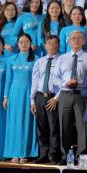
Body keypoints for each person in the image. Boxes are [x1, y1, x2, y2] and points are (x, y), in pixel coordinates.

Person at [54, 30, 87, 160]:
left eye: (78, 38)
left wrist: (79, 82)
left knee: (82, 126)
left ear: (83, 41)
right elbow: (55, 78)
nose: (76, 40)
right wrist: (66, 83)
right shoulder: (62, 58)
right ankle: (65, 156)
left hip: (81, 94)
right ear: (69, 41)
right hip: (65, 94)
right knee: (64, 126)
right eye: (73, 38)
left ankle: (81, 155)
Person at [3, 34, 38, 162]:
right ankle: (14, 152)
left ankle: (25, 152)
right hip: (14, 93)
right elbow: (8, 79)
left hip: (29, 93)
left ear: (30, 43)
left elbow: (36, 80)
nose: (23, 44)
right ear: (17, 44)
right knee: (14, 122)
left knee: (27, 122)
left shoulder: (36, 59)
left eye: (26, 41)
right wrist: (6, 96)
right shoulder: (11, 59)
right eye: (21, 42)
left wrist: (33, 97)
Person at [31, 35, 62, 164]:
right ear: (45, 45)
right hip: (39, 97)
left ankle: (53, 155)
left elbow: (64, 82)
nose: (52, 46)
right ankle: (43, 154)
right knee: (41, 128)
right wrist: (32, 100)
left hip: (53, 97)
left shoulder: (62, 60)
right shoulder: (40, 61)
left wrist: (56, 98)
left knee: (54, 127)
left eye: (55, 43)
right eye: (49, 43)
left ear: (59, 45)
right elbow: (35, 80)